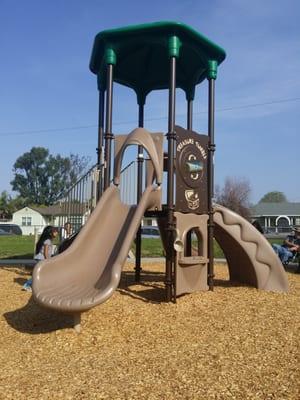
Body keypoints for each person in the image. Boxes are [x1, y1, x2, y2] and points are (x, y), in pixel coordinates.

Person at [22, 226, 59, 291]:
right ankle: (27, 285)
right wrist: (48, 261)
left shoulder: (46, 240)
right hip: (42, 259)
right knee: (40, 273)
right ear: (50, 233)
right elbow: (45, 252)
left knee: (43, 273)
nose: (57, 233)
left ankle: (41, 285)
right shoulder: (48, 241)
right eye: (55, 232)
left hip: (40, 258)